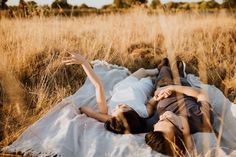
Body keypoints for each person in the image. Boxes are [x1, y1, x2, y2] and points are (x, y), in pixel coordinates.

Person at [63, 52, 159, 134]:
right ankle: (158, 70)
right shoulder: (142, 113)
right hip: (142, 87)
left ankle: (156, 71)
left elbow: (98, 85)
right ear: (134, 113)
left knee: (142, 71)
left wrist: (84, 63)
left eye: (115, 109)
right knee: (146, 75)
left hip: (123, 86)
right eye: (124, 107)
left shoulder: (108, 114)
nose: (119, 105)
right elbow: (150, 105)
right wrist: (156, 98)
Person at [145, 58, 214, 156]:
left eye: (159, 121)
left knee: (164, 70)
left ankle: (163, 66)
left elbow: (149, 106)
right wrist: (172, 87)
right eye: (166, 120)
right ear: (182, 129)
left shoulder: (156, 127)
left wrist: (155, 98)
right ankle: (176, 67)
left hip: (162, 86)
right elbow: (201, 94)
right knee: (178, 74)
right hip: (183, 87)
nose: (161, 117)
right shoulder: (202, 120)